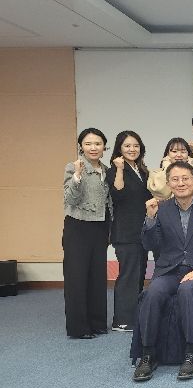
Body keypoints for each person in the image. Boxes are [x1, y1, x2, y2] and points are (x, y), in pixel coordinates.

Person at [133, 161, 193, 382]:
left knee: (188, 291)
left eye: (185, 178)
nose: (181, 183)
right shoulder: (161, 208)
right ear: (168, 183)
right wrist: (150, 219)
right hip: (169, 271)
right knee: (152, 294)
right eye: (175, 179)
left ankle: (192, 353)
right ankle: (147, 354)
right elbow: (149, 244)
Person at [63, 128, 113, 339]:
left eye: (98, 144)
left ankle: (97, 323)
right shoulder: (73, 167)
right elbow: (70, 199)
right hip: (78, 226)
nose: (93, 148)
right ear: (81, 147)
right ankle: (79, 328)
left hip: (100, 226)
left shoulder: (106, 169)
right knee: (77, 277)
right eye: (88, 144)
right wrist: (77, 176)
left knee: (97, 275)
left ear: (104, 147)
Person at [107, 131, 152, 332]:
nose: (132, 149)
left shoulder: (141, 170)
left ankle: (134, 316)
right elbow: (118, 194)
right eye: (127, 146)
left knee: (139, 274)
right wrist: (118, 168)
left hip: (141, 231)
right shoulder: (115, 169)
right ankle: (122, 321)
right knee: (128, 276)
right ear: (119, 148)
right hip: (126, 232)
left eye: (135, 145)